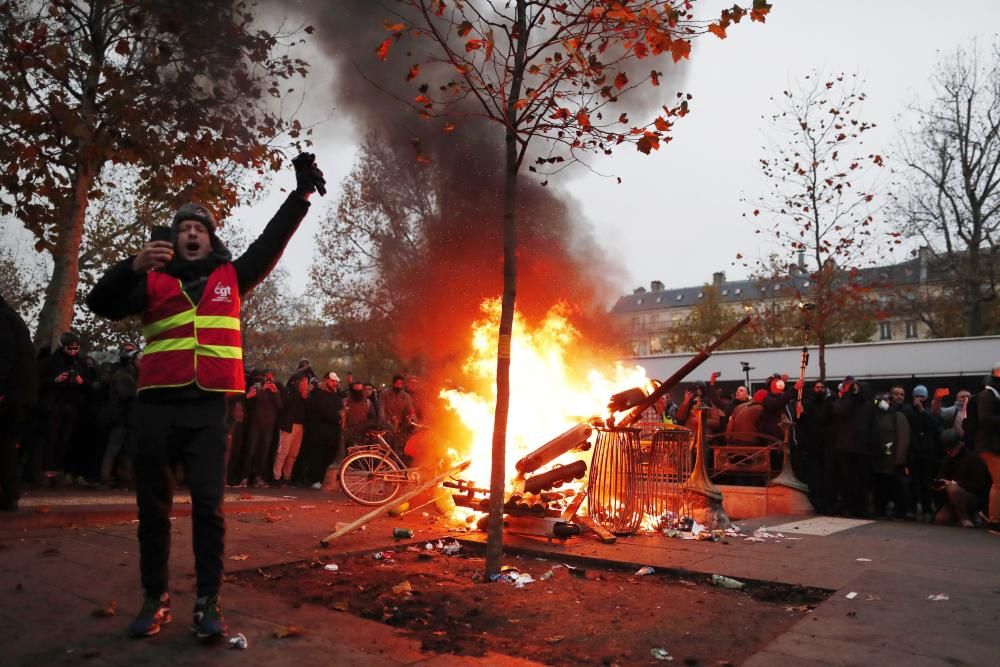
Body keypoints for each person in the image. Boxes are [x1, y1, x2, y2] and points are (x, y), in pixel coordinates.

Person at [85, 152, 321, 639]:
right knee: (153, 510)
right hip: (155, 409)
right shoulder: (148, 281)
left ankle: (208, 605)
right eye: (184, 227)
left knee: (209, 510)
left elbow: (271, 242)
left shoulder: (234, 277)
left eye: (201, 227)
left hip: (211, 409)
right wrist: (129, 267)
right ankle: (156, 599)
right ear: (172, 239)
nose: (192, 232)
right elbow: (99, 304)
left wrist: (298, 198)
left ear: (211, 239)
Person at [0, 295, 38, 511]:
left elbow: (4, 356)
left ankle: (9, 493)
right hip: (21, 392)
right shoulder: (12, 318)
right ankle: (9, 493)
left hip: (10, 392)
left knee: (5, 442)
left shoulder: (2, 319)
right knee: (7, 443)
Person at [36, 331, 88, 485]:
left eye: (76, 349)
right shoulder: (51, 361)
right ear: (62, 347)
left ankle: (58, 470)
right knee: (51, 438)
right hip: (54, 405)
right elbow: (40, 381)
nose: (73, 352)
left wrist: (81, 381)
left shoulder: (80, 362)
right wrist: (55, 380)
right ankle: (46, 470)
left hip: (72, 405)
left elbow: (90, 384)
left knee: (65, 439)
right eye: (70, 349)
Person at [933, 429, 990, 527]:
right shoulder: (948, 460)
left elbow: (979, 486)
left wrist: (954, 483)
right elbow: (941, 475)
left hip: (971, 498)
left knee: (953, 489)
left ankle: (965, 518)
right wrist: (939, 483)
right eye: (947, 450)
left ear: (960, 445)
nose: (948, 452)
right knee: (940, 519)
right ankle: (963, 517)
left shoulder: (973, 459)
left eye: (951, 449)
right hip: (952, 499)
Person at [299, 371, 345, 487]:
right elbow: (324, 412)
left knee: (329, 456)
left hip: (332, 433)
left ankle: (320, 479)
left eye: (335, 381)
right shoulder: (317, 394)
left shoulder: (335, 395)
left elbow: (341, 410)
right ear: (326, 380)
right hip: (318, 433)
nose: (334, 383)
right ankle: (314, 479)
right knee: (317, 456)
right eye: (332, 381)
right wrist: (337, 417)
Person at [871, 391, 911, 520]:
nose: (885, 402)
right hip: (879, 458)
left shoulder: (897, 416)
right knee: (880, 485)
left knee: (896, 485)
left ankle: (900, 510)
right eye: (882, 399)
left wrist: (900, 458)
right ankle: (880, 509)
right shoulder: (875, 416)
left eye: (887, 399)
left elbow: (903, 437)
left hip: (892, 458)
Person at [971, 364, 1000, 535]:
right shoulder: (988, 395)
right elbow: (986, 419)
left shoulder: (992, 394)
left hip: (991, 444)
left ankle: (988, 513)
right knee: (999, 483)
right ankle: (995, 522)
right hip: (989, 445)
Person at [241, 370, 283, 487]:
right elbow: (253, 401)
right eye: (267, 377)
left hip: (268, 426)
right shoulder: (257, 387)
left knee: (263, 453)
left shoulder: (275, 390)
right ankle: (244, 477)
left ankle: (258, 477)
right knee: (251, 450)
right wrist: (263, 389)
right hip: (255, 424)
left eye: (271, 377)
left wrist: (275, 392)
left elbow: (279, 406)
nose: (269, 380)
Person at [273, 372, 310, 486]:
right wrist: (299, 394)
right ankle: (276, 477)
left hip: (300, 426)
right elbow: (285, 404)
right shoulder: (288, 390)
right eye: (305, 382)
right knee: (283, 452)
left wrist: (305, 398)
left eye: (307, 383)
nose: (306, 385)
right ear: (298, 382)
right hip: (288, 425)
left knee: (293, 454)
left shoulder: (305, 395)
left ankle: (287, 476)